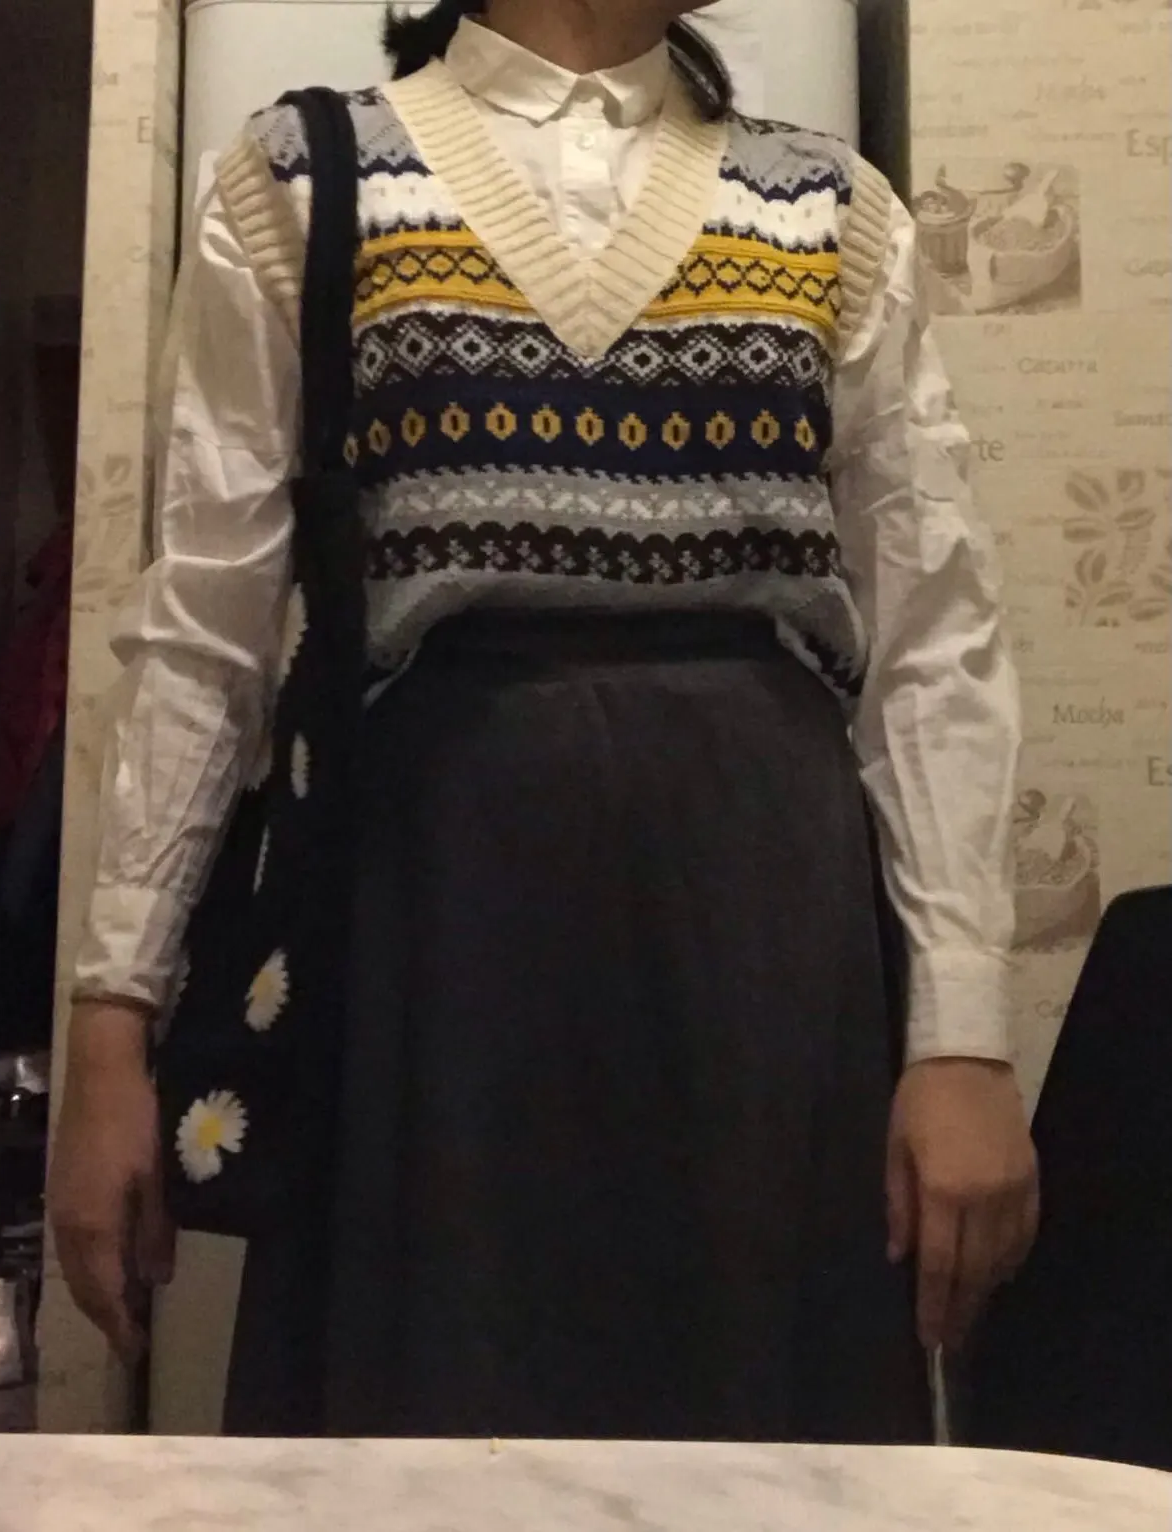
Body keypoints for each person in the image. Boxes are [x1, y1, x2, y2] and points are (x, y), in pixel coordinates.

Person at [50, 0, 1038, 1440]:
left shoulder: (833, 208)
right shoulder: (301, 180)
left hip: (771, 954)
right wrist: (109, 1030)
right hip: (430, 949)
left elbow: (935, 638)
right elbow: (207, 635)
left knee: (771, 1461)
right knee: (429, 1437)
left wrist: (962, 1036)